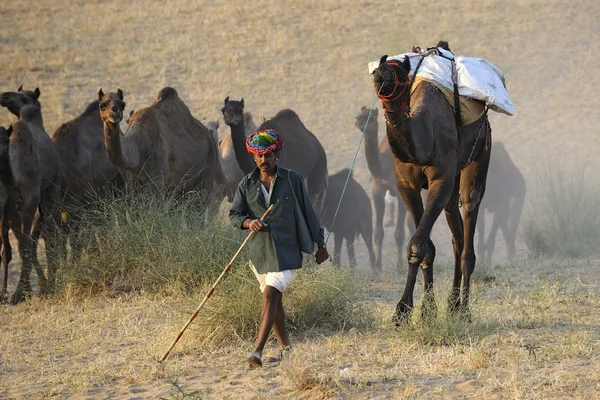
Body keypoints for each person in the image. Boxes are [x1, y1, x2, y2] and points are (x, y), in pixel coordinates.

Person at [229, 128, 329, 369]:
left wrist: (320, 244)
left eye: (269, 155)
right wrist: (247, 222)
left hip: (287, 251)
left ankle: (258, 351)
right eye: (260, 156)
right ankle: (287, 348)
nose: (265, 160)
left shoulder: (293, 179)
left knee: (270, 295)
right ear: (254, 158)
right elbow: (234, 214)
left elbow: (308, 211)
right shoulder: (247, 184)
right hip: (259, 254)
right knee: (274, 303)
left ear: (278, 156)